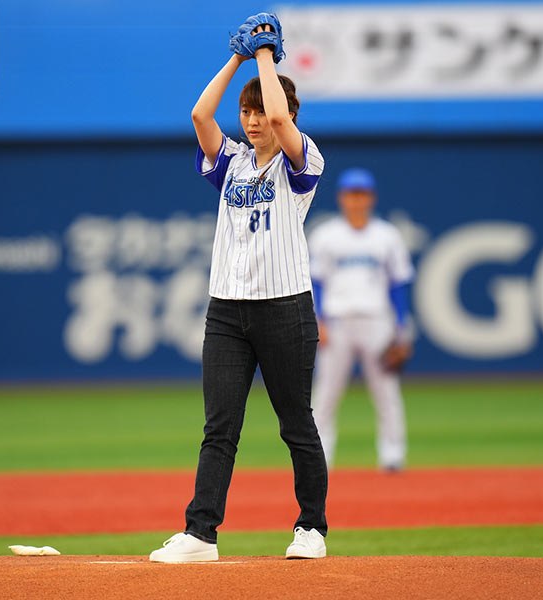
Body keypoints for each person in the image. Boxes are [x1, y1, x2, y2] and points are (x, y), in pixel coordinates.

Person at [148, 14, 328, 563]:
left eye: (260, 112)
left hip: (285, 308)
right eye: (246, 112)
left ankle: (311, 529)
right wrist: (236, 57)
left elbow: (278, 111)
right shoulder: (230, 162)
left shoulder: (303, 160)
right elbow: (200, 114)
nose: (253, 120)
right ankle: (201, 534)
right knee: (219, 426)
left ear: (290, 117)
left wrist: (269, 56)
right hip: (227, 310)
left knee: (295, 423)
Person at [308, 168, 415, 472]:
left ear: (371, 198)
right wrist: (319, 321)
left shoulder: (387, 236)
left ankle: (393, 455)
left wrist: (402, 327)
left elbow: (398, 284)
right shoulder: (326, 235)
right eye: (351, 194)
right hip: (337, 321)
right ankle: (319, 458)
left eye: (362, 194)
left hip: (376, 320)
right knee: (326, 393)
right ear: (342, 198)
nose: (356, 200)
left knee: (386, 391)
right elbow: (316, 283)